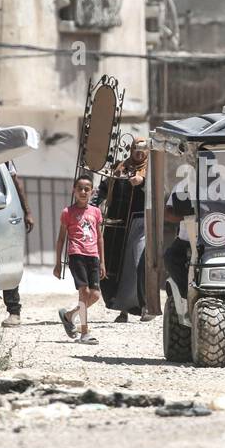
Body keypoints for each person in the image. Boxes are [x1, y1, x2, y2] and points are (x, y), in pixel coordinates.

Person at [95, 137, 149, 323]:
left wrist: (142, 182)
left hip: (139, 223)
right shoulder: (120, 166)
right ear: (131, 149)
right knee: (113, 264)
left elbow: (159, 192)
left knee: (137, 264)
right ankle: (122, 309)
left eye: (143, 150)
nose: (139, 153)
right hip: (116, 223)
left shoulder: (150, 170)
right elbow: (104, 188)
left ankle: (144, 306)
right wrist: (93, 205)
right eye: (136, 149)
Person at [54, 176, 107, 345]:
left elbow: (99, 238)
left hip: (93, 256)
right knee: (83, 293)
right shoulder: (67, 213)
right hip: (76, 254)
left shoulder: (96, 212)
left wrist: (102, 262)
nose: (83, 192)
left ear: (92, 192)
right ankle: (84, 332)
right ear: (74, 191)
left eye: (87, 189)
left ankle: (69, 315)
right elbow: (61, 239)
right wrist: (57, 263)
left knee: (96, 295)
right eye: (80, 189)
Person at [1, 160, 35, 327]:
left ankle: (14, 310)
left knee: (8, 260)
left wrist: (27, 211)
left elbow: (16, 183)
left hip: (0, 212)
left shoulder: (4, 159)